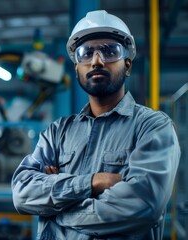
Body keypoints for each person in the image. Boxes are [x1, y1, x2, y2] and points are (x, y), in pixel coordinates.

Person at [11, 10, 181, 240]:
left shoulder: (152, 128)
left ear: (128, 65)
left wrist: (57, 209)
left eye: (110, 51)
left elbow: (142, 205)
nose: (97, 61)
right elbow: (22, 193)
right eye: (86, 53)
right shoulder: (57, 132)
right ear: (77, 68)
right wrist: (93, 182)